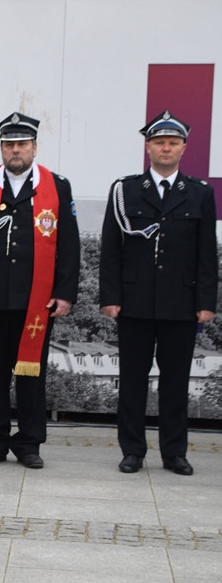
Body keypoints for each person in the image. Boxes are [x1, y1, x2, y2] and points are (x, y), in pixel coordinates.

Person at [0, 112, 79, 469]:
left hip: (35, 300)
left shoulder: (56, 186)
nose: (15, 150)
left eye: (22, 144)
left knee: (31, 376)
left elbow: (69, 244)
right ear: (1, 148)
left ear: (34, 148)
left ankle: (29, 444)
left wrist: (65, 292)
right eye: (9, 144)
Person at [99, 110, 217, 476]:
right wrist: (110, 297)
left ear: (184, 148)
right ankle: (132, 451)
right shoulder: (126, 190)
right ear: (148, 147)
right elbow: (111, 249)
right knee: (132, 381)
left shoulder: (199, 193)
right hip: (133, 303)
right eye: (160, 142)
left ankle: (174, 453)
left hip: (181, 304)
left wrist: (205, 302)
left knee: (175, 383)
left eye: (173, 143)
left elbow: (206, 254)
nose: (166, 148)